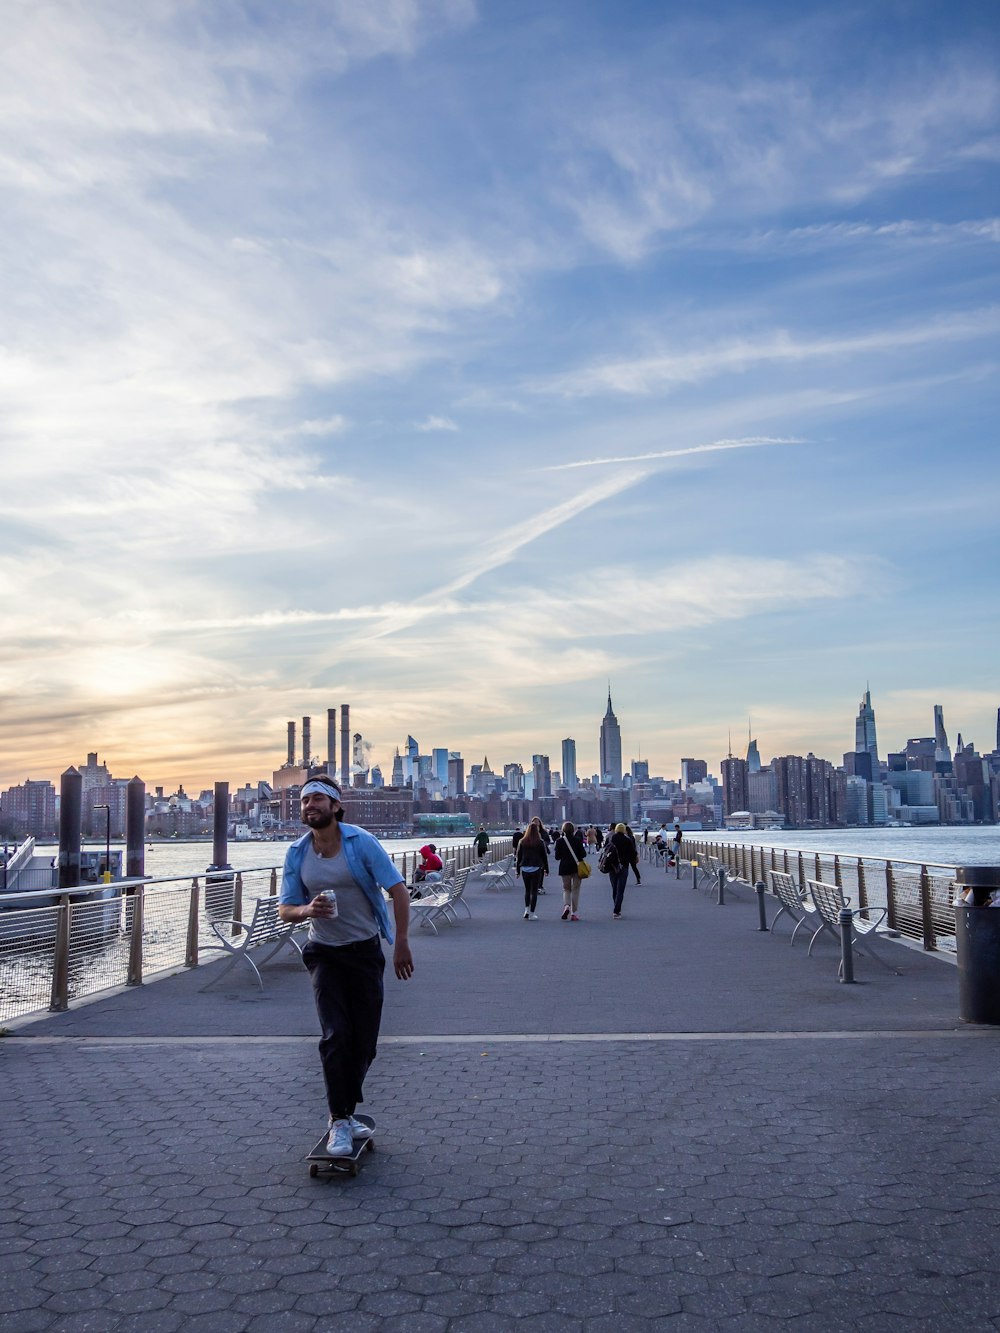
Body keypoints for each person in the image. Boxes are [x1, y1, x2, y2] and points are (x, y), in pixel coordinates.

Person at [278, 777, 413, 1158]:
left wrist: (401, 943)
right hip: (324, 952)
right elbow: (286, 907)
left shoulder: (361, 842)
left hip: (365, 951)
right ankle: (338, 1119)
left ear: (336, 806)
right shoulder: (296, 853)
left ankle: (347, 1110)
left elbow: (399, 891)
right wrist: (307, 910)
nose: (310, 805)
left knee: (364, 1043)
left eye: (318, 799)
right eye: (304, 800)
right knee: (336, 1035)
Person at [515, 822, 549, 919]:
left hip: (525, 868)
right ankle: (532, 913)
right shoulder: (540, 842)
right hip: (536, 868)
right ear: (537, 831)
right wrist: (546, 869)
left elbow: (519, 857)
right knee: (534, 891)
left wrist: (517, 871)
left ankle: (526, 910)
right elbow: (544, 857)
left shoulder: (522, 841)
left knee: (527, 890)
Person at [604, 822, 638, 918]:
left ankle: (616, 907)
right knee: (620, 890)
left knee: (614, 888)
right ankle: (617, 910)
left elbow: (605, 850)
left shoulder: (611, 839)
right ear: (624, 830)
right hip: (624, 866)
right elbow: (633, 853)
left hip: (611, 867)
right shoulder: (627, 840)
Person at [554, 821, 586, 921]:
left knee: (566, 889)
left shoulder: (559, 841)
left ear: (563, 830)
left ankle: (566, 905)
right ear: (573, 830)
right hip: (576, 867)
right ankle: (573, 913)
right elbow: (583, 854)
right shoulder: (577, 840)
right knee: (575, 889)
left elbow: (557, 857)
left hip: (564, 867)